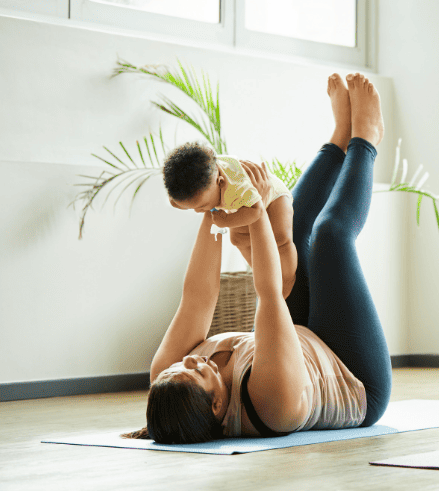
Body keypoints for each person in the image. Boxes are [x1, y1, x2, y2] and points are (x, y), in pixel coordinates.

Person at [125, 72, 392, 443]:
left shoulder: (168, 383)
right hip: (353, 372)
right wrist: (257, 211)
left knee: (294, 237)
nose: (183, 361)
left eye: (173, 370)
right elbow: (269, 293)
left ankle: (339, 135)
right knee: (331, 236)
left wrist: (213, 204)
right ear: (218, 405)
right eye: (194, 371)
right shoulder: (270, 402)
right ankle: (366, 138)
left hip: (297, 335)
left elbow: (198, 297)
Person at [163, 142, 297, 298]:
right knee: (237, 239)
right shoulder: (203, 179)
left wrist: (225, 220)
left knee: (280, 238)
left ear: (220, 182)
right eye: (194, 208)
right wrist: (180, 203)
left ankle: (288, 278)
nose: (199, 211)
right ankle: (262, 273)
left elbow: (256, 211)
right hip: (243, 204)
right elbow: (176, 201)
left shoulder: (236, 186)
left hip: (273, 197)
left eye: (203, 205)